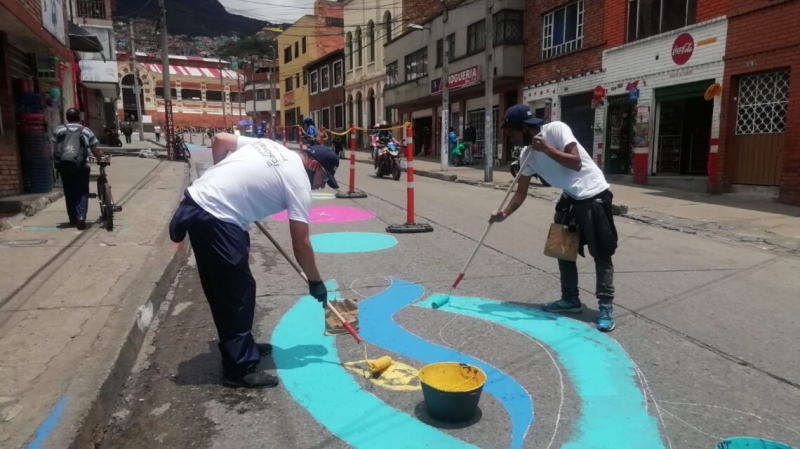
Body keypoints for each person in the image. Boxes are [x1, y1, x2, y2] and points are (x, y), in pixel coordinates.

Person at [168, 133, 339, 388]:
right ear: (313, 166)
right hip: (216, 216)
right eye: (324, 178)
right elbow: (301, 243)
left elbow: (220, 140)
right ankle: (239, 368)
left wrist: (221, 180)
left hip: (199, 204)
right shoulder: (299, 183)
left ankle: (242, 344)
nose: (322, 185)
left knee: (231, 286)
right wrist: (316, 282)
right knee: (236, 293)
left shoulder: (272, 146)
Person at [489, 104, 619, 332]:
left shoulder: (557, 129)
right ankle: (570, 299)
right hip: (570, 197)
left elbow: (576, 162)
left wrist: (547, 149)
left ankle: (605, 305)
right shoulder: (526, 156)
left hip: (594, 193)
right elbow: (521, 192)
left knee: (601, 252)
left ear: (525, 128)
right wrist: (504, 214)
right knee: (561, 248)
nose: (510, 137)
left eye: (512, 132)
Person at [51, 108, 105, 230]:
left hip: (64, 165)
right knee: (82, 191)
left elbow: (53, 147)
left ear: (66, 118)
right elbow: (94, 148)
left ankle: (72, 218)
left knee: (69, 192)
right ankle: (81, 217)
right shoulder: (86, 130)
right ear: (79, 118)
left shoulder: (59, 130)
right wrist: (100, 158)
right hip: (82, 166)